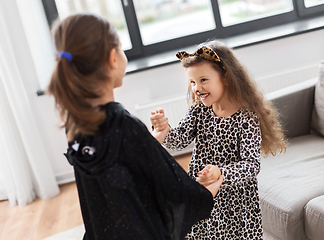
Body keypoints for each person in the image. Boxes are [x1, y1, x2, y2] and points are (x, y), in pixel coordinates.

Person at [47, 13, 224, 240]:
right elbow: (177, 191)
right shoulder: (124, 125)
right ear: (113, 58)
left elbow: (113, 169)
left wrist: (148, 142)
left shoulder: (75, 122)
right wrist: (207, 193)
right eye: (121, 48)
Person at [150, 40, 287, 239]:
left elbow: (251, 165)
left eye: (203, 80)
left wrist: (220, 172)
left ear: (226, 78)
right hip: (203, 194)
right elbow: (178, 140)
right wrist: (163, 129)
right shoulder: (200, 111)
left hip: (235, 204)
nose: (197, 88)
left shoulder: (246, 118)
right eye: (193, 82)